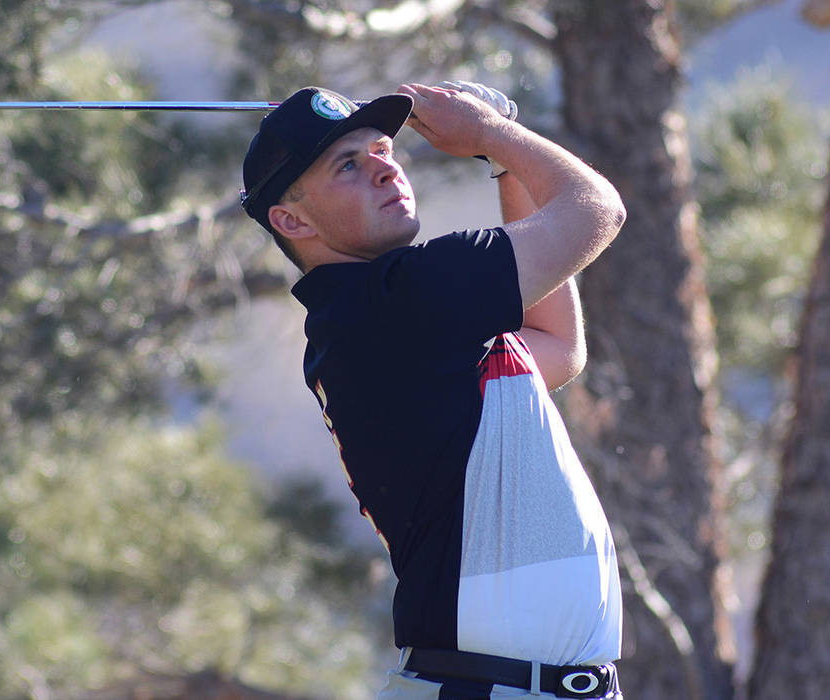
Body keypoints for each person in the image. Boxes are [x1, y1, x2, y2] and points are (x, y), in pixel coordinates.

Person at [240, 81, 627, 700]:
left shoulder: (389, 317)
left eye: (383, 150)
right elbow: (597, 210)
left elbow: (556, 347)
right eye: (349, 165)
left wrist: (503, 165)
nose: (384, 169)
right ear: (292, 220)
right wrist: (492, 135)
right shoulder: (397, 300)